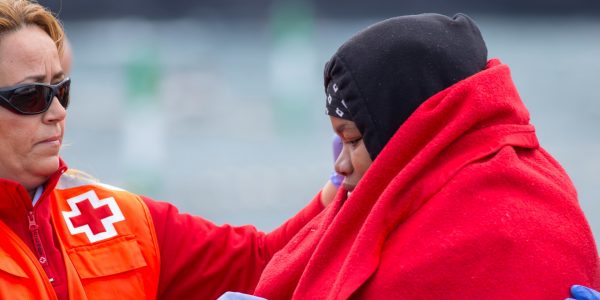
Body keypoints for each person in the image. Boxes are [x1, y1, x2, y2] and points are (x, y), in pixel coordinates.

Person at [0, 1, 338, 299]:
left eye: (62, 90)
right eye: (31, 96)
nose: (58, 112)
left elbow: (263, 262)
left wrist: (343, 185)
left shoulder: (119, 218)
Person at [252, 13, 600, 299]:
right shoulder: (546, 182)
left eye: (353, 139)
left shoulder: (446, 249)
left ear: (405, 128)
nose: (340, 165)